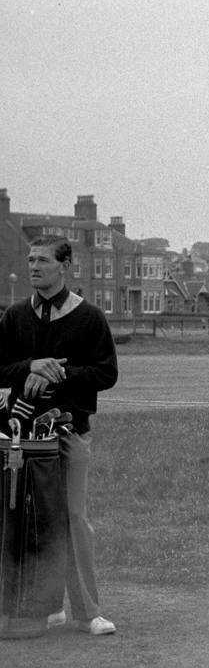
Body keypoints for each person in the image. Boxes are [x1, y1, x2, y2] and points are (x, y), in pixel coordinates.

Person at [0, 237, 119, 635]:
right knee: (24, 520)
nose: (34, 266)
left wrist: (60, 373)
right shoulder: (15, 316)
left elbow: (106, 374)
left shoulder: (89, 317)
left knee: (72, 517)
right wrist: (31, 366)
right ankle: (43, 606)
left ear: (64, 266)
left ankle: (88, 611)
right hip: (21, 439)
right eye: (31, 259)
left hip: (69, 434)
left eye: (43, 260)